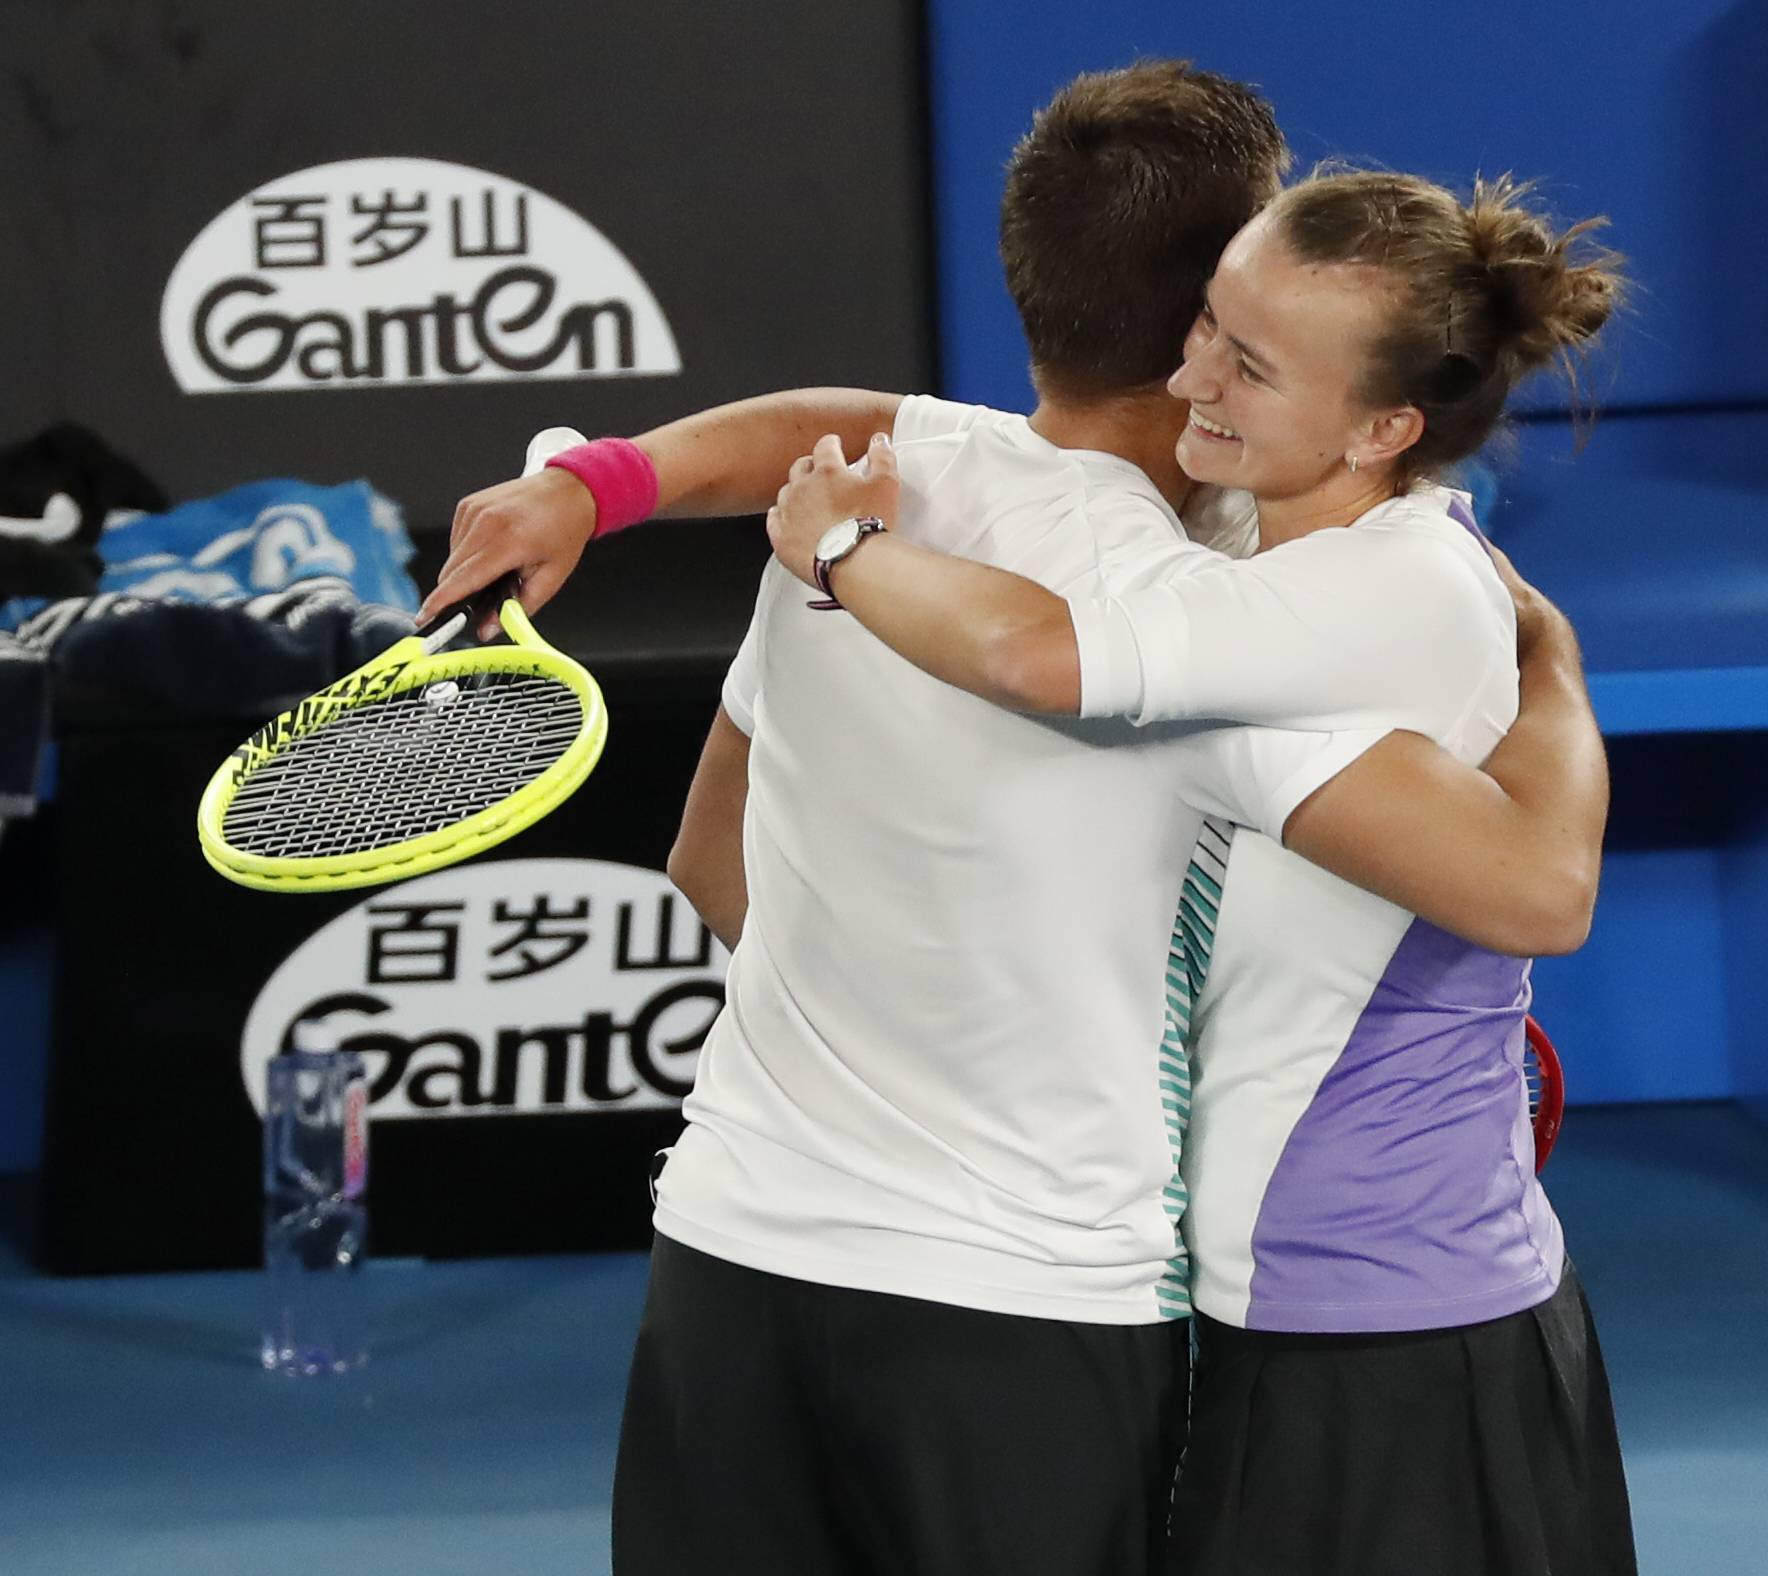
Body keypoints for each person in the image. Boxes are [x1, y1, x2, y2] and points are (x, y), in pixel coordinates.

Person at [423, 67, 1611, 1576]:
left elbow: (708, 863)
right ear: (1215, 310)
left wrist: (605, 482)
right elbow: (1529, 886)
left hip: (732, 1256)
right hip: (1032, 1309)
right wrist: (1550, 668)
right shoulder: (1219, 617)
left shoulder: (863, 501)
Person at [761, 164, 1636, 1575]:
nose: (1190, 374)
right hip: (1274, 1310)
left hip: (1396, 1327)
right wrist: (600, 483)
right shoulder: (1271, 542)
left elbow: (1036, 657)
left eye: (1251, 362)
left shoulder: (1381, 593)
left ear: (1383, 427)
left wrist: (843, 545)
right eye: (1208, 324)